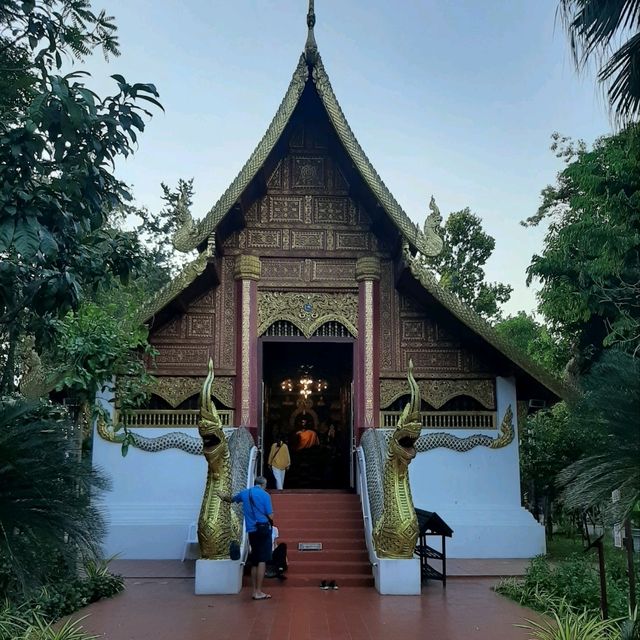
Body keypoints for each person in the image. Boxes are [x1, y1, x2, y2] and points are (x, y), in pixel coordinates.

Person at [216, 476, 273, 600]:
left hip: (252, 529)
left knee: (255, 560)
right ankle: (259, 591)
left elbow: (231, 499)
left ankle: (254, 591)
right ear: (263, 484)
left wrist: (221, 495)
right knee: (262, 560)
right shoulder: (265, 495)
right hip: (263, 528)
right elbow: (271, 515)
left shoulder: (245, 493)